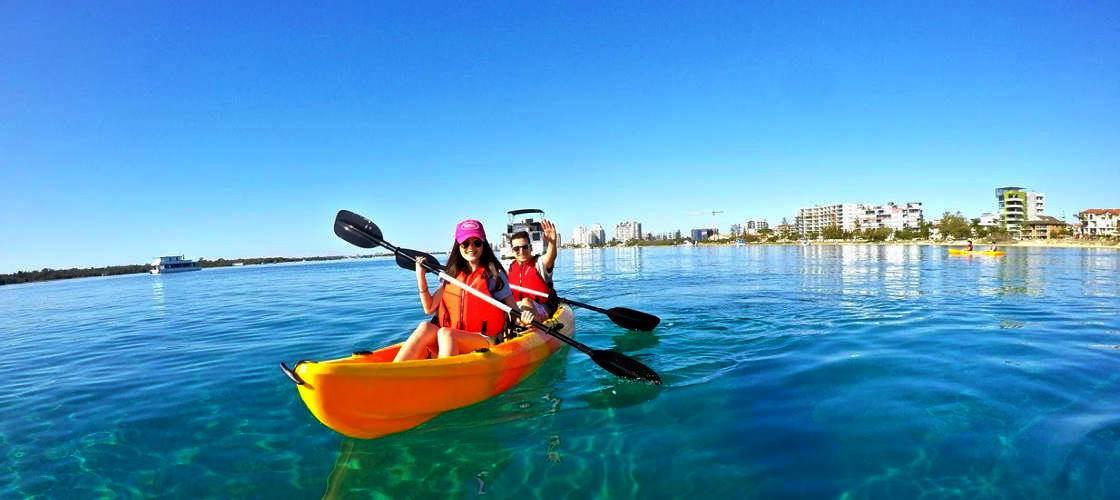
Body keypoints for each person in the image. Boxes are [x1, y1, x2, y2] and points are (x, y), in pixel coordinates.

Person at [393, 219, 542, 362]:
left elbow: (514, 312)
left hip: (484, 339)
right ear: (458, 246)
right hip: (452, 337)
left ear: (483, 244)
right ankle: (395, 371)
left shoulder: (494, 275)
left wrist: (525, 318)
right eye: (465, 243)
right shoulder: (452, 274)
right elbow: (429, 308)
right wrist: (420, 276)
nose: (471, 248)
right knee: (425, 327)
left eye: (476, 243)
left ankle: (441, 378)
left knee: (446, 333)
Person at [507, 219, 559, 318]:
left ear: (531, 248)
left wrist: (552, 242)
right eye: (517, 248)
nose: (521, 251)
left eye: (525, 247)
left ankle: (525, 324)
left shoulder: (539, 263)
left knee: (526, 302)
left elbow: (550, 257)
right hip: (517, 307)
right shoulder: (508, 267)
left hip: (542, 306)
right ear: (512, 251)